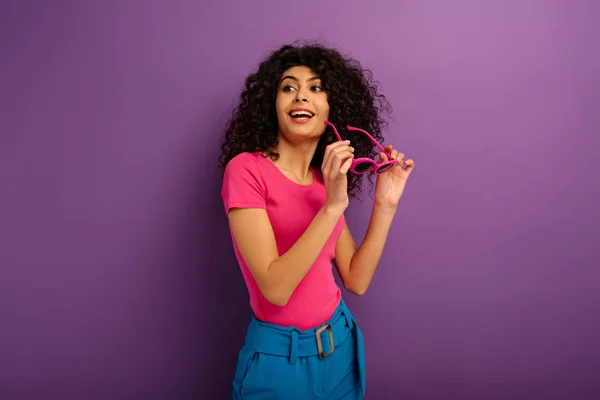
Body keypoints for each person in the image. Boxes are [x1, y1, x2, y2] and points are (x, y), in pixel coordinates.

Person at [219, 42, 414, 399]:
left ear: (331, 108)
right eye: (288, 87)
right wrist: (332, 207)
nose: (301, 97)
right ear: (271, 104)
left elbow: (356, 279)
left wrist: (385, 203)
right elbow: (275, 290)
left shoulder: (324, 181)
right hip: (281, 362)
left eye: (315, 88)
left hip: (340, 349)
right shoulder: (246, 170)